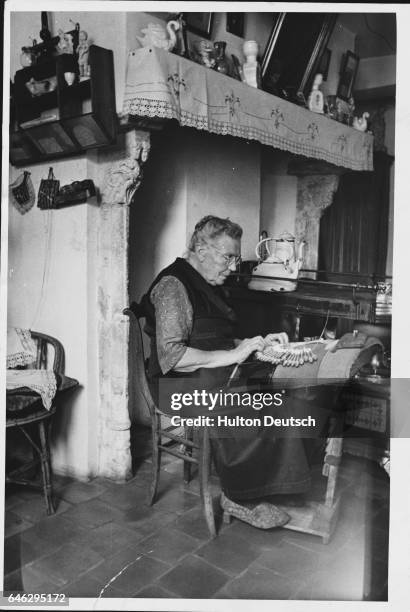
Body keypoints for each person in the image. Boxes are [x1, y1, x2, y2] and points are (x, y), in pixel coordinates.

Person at [141, 215, 314, 529]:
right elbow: (173, 357)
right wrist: (234, 354)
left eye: (236, 257)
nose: (233, 266)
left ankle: (262, 484)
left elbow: (213, 337)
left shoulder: (207, 281)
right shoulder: (172, 286)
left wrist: (254, 344)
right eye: (228, 257)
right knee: (250, 407)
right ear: (201, 251)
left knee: (275, 395)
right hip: (175, 384)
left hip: (203, 375)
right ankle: (238, 496)